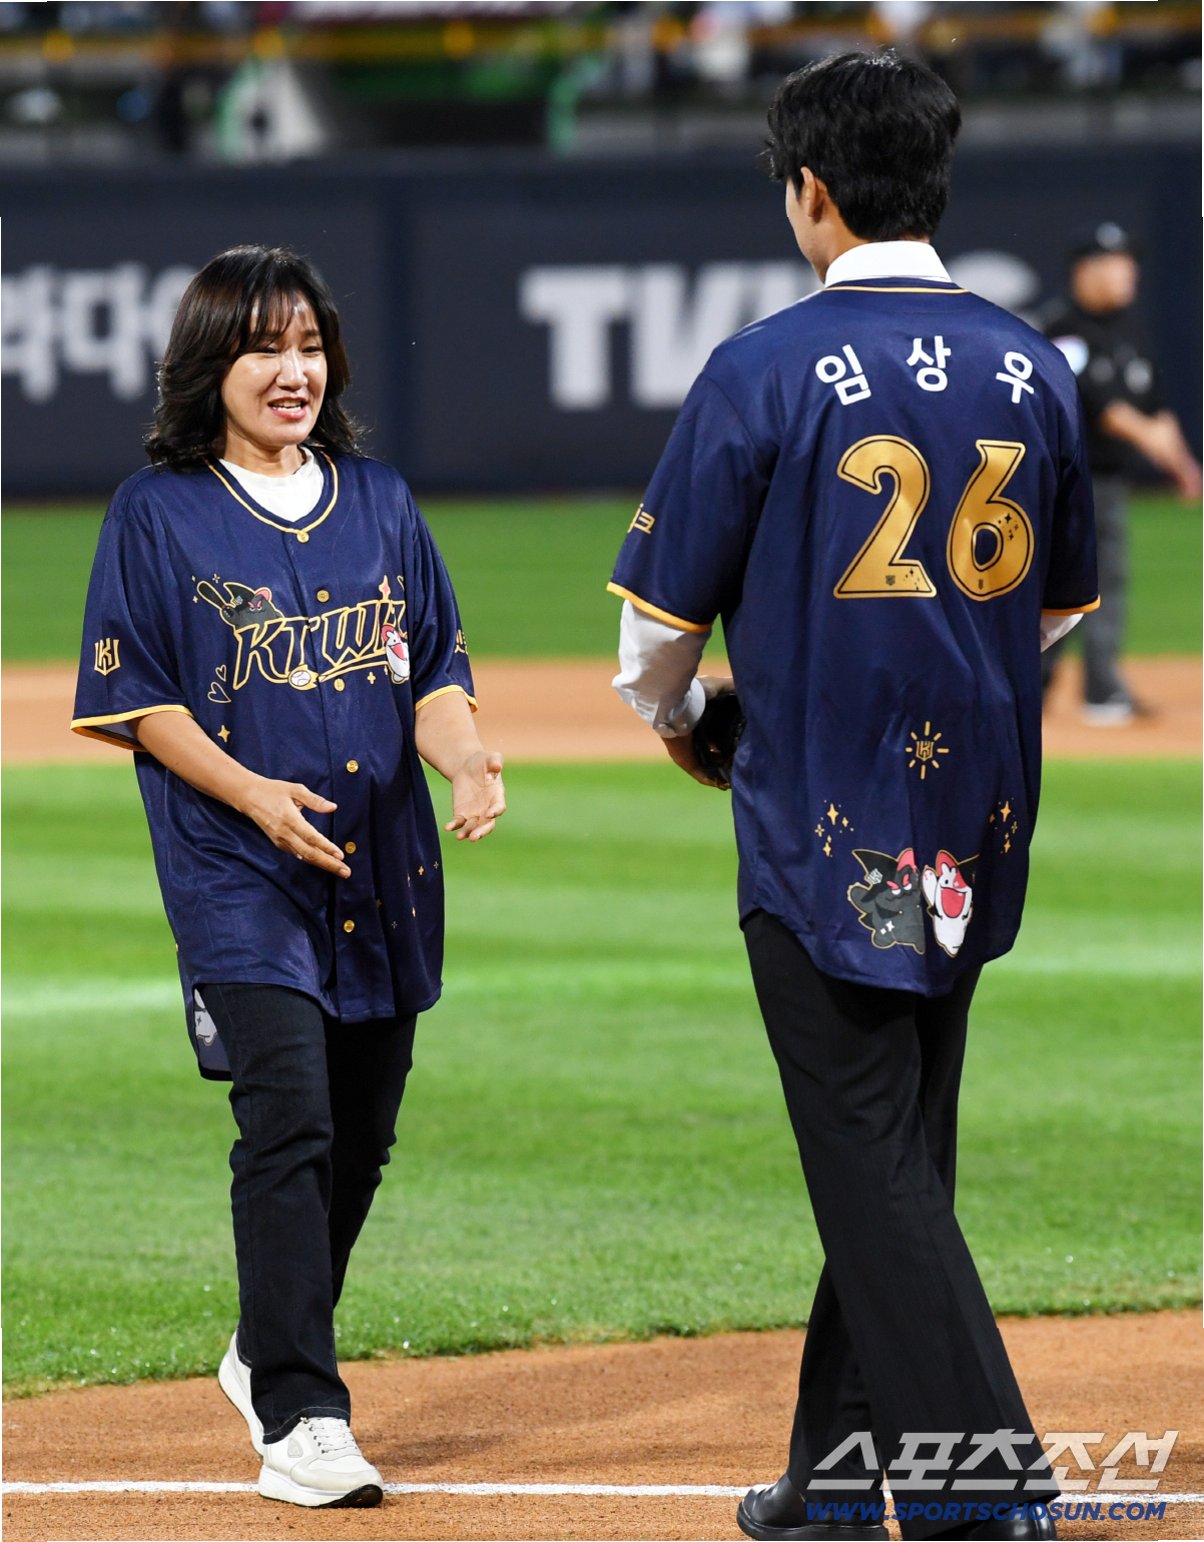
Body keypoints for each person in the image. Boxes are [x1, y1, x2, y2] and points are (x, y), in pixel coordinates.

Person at [609, 51, 1097, 1542]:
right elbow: (1056, 610)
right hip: (973, 819)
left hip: (829, 826)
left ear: (810, 190)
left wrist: (688, 717)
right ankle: (830, 1481)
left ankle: (975, 1486)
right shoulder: (1034, 364)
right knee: (897, 1144)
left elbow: (654, 640)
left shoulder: (762, 366)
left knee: (871, 1154)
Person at [72, 245, 506, 1510]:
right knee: (290, 1120)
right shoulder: (156, 512)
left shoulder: (379, 500)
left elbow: (431, 668)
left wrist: (467, 757)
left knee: (361, 1135)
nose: (293, 370)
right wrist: (252, 794)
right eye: (265, 347)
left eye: (310, 346)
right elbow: (139, 697)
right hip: (237, 872)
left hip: (381, 867)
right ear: (211, 364)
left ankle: (266, 1337)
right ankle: (303, 1413)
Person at [1040, 221, 1202, 724]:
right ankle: (1082, 689)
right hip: (1066, 484)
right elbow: (1108, 411)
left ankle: (1089, 685)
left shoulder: (1131, 331)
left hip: (1108, 482)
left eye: (1130, 264)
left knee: (1097, 581)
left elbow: (1155, 408)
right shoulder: (1064, 330)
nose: (1129, 273)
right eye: (1117, 264)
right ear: (1086, 271)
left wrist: (1183, 466)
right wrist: (1157, 445)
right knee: (1068, 582)